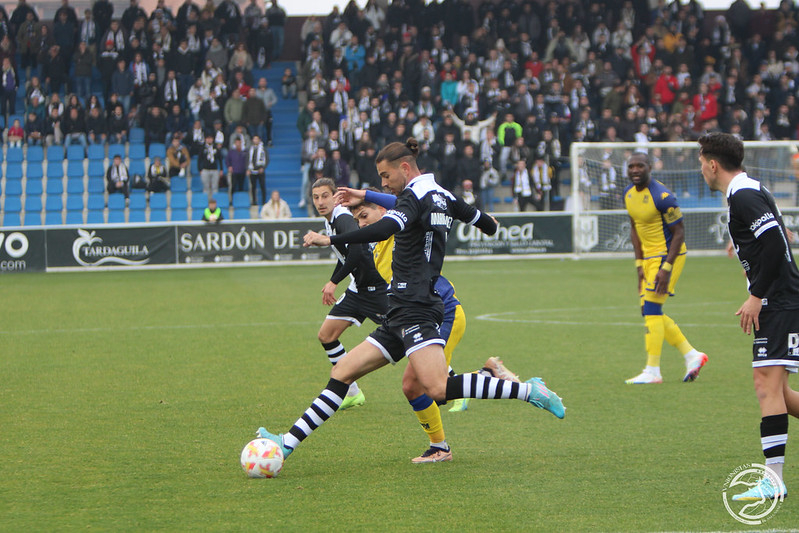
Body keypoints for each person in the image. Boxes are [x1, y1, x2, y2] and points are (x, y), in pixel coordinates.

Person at [256, 138, 564, 463]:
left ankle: (530, 391)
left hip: (417, 307)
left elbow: (386, 225)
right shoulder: (441, 196)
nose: (384, 183)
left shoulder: (413, 198)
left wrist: (330, 239)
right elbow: (489, 225)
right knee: (344, 371)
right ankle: (285, 444)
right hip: (400, 309)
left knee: (438, 388)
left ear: (404, 168)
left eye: (386, 177)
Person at [343, 186, 521, 461]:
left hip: (443, 311)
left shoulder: (401, 223)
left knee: (428, 387)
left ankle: (447, 439)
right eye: (358, 220)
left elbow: (401, 203)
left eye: (365, 215)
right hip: (418, 314)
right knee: (417, 386)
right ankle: (443, 441)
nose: (362, 223)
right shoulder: (377, 247)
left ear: (385, 211)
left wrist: (367, 194)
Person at [699, 132, 799, 501]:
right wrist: (744, 242)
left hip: (778, 300)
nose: (701, 170)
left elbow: (774, 241)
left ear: (713, 164)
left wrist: (756, 295)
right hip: (782, 299)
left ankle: (773, 481)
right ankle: (773, 480)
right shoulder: (750, 189)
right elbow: (778, 233)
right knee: (779, 392)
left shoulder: (743, 195)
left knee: (766, 387)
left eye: (701, 163)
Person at [623, 152, 707, 384]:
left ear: (650, 167)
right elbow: (634, 229)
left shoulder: (663, 196)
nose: (635, 170)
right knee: (649, 311)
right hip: (648, 259)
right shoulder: (628, 194)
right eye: (631, 166)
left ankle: (653, 370)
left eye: (640, 166)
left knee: (651, 308)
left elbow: (679, 233)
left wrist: (666, 268)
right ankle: (692, 354)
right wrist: (639, 265)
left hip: (669, 256)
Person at [306, 177, 389, 410]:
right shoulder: (331, 220)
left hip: (376, 290)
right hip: (357, 289)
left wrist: (334, 282)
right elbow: (346, 257)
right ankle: (352, 392)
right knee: (327, 335)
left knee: (412, 339)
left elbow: (358, 252)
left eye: (325, 196)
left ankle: (450, 381)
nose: (321, 201)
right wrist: (333, 280)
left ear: (335, 197)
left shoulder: (343, 218)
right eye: (316, 197)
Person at [247, 135, 268, 206]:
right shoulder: (250, 149)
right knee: (253, 187)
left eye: (257, 139)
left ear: (259, 140)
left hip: (260, 170)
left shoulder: (263, 149)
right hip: (252, 170)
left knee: (262, 186)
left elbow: (267, 159)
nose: (255, 140)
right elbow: (247, 159)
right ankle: (254, 201)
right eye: (254, 139)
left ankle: (264, 201)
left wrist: (263, 167)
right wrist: (247, 169)